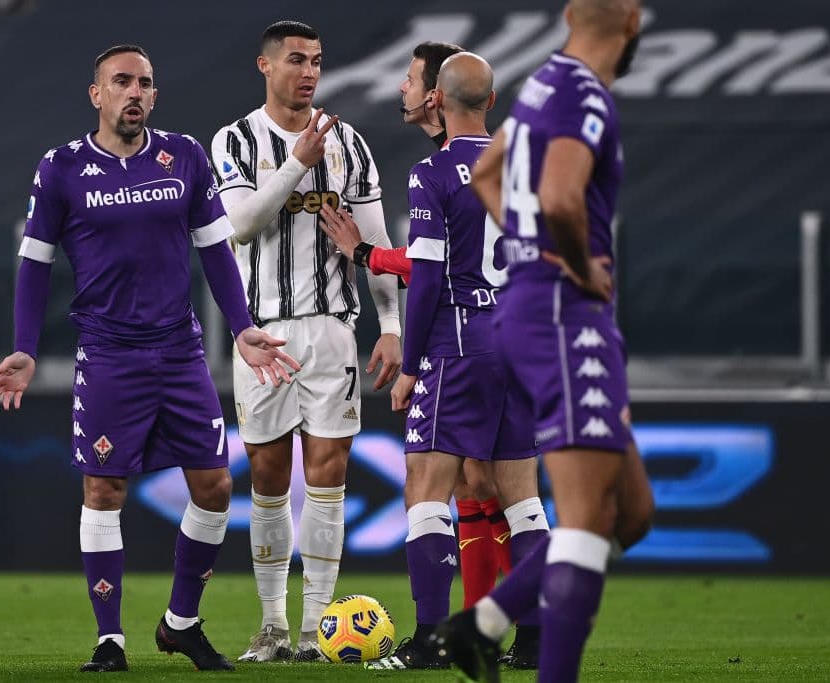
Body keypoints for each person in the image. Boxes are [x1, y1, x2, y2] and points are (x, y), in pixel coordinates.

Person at [0, 45, 300, 673]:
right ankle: (110, 639)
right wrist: (24, 346)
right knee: (105, 488)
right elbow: (35, 263)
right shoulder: (62, 168)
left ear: (154, 95)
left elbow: (215, 249)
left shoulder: (184, 156)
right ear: (96, 94)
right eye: (121, 81)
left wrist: (241, 327)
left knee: (215, 486)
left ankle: (181, 623)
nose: (134, 92)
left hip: (180, 351)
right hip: (108, 354)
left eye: (145, 83)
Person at [431, 1, 654, 681]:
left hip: (535, 311)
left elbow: (487, 176)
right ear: (631, 21)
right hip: (565, 316)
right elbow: (559, 198)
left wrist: (531, 247)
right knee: (586, 520)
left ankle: (481, 623)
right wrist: (577, 265)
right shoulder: (583, 94)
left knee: (632, 512)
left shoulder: (542, 84)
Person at [335, 52, 543, 671]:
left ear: (439, 101)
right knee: (523, 500)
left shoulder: (434, 173)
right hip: (520, 339)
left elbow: (427, 278)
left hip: (461, 340)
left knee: (426, 491)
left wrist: (410, 368)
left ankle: (429, 639)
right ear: (492, 101)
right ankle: (536, 639)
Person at [209, 21, 402, 663]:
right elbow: (240, 224)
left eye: (317, 61)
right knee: (267, 477)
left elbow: (373, 240)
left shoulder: (350, 143)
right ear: (265, 66)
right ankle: (272, 625)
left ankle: (319, 627)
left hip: (331, 327)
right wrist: (297, 162)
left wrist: (392, 326)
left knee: (329, 474)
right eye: (296, 60)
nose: (309, 72)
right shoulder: (235, 140)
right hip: (262, 331)